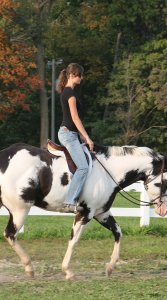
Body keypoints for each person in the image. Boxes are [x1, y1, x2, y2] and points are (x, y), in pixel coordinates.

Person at [56, 63, 94, 213]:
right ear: (72, 75)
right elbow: (75, 119)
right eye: (80, 75)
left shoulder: (68, 92)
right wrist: (87, 138)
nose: (82, 78)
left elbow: (72, 122)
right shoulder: (69, 95)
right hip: (68, 135)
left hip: (71, 134)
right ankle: (69, 202)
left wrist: (81, 136)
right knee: (83, 167)